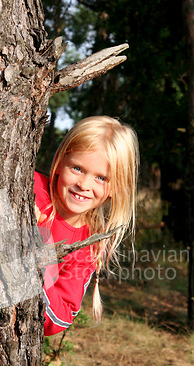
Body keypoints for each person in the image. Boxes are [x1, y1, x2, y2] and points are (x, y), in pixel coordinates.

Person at [34, 116, 139, 336]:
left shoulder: (88, 245)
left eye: (101, 178)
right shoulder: (29, 188)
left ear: (116, 187)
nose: (83, 184)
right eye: (77, 168)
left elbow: (59, 318)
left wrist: (36, 251)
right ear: (61, 162)